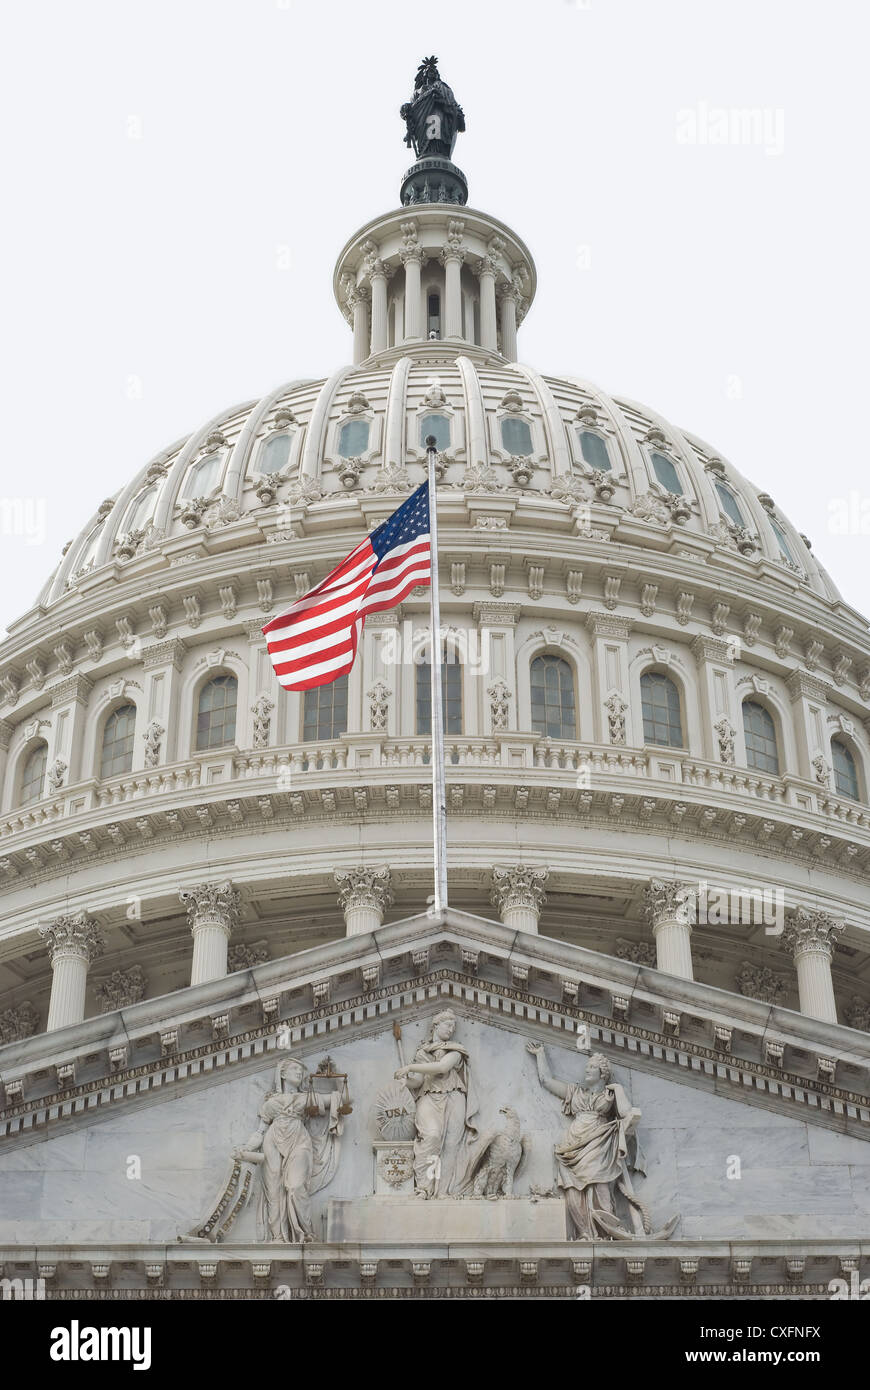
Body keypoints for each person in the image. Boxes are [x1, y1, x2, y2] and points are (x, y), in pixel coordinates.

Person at [526, 1043, 675, 1241]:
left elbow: (626, 1113)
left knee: (601, 1187)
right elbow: (546, 1080)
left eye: (591, 1067)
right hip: (572, 1147)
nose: (586, 1070)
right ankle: (584, 1233)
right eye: (587, 1067)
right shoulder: (575, 1093)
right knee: (572, 1191)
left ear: (602, 1072)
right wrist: (540, 1054)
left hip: (600, 1143)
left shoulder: (610, 1094)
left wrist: (619, 1089)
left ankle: (606, 1233)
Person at [234, 1057, 342, 1242]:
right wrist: (245, 1149)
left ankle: (305, 1233)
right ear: (282, 1074)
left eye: (301, 1070)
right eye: (294, 1068)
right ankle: (278, 1237)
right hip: (273, 1140)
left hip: (299, 1140)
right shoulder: (270, 1102)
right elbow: (260, 1130)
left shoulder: (306, 1098)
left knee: (295, 1185)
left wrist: (337, 1078)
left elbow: (343, 1099)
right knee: (274, 1191)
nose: (299, 1072)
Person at [394, 1009, 479, 1197]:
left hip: (453, 1098)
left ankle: (443, 1191)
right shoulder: (421, 1052)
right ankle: (424, 1187)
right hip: (428, 1097)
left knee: (450, 1145)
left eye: (453, 1026)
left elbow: (441, 1068)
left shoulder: (456, 1050)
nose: (451, 1029)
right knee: (432, 1136)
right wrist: (406, 1081)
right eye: (448, 1025)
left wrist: (409, 1067)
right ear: (436, 1025)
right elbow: (418, 1080)